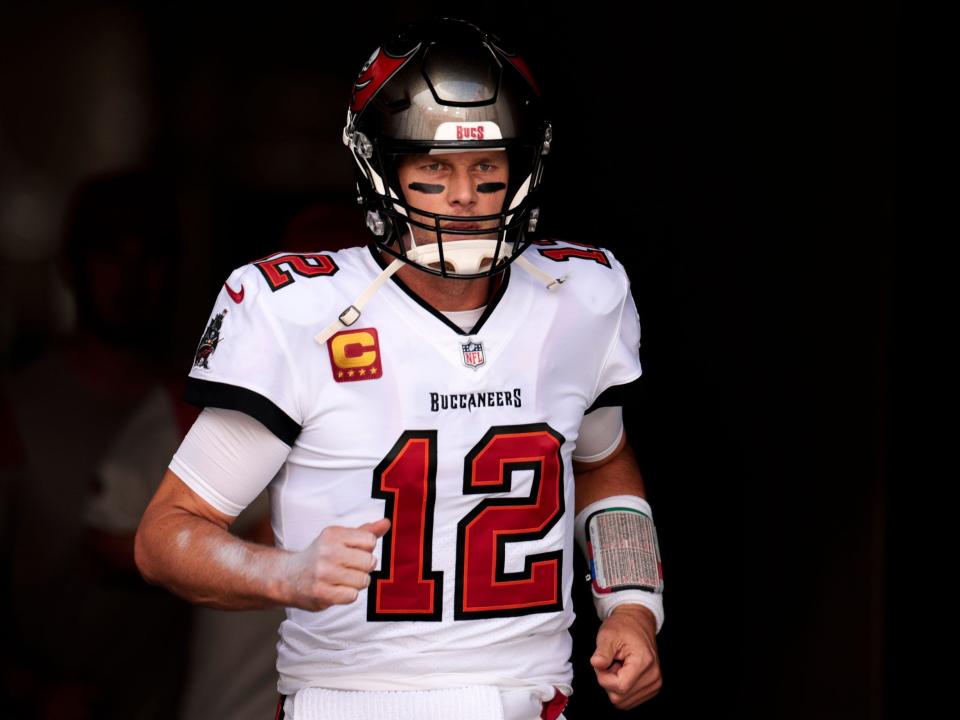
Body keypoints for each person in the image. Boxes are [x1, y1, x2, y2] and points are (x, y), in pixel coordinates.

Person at [135, 18, 664, 720]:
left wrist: (631, 606)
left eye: (487, 168)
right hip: (352, 700)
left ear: (523, 167)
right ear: (381, 170)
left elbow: (603, 462)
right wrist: (282, 572)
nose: (463, 196)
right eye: (432, 169)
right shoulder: (299, 313)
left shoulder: (581, 299)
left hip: (532, 698)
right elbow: (164, 535)